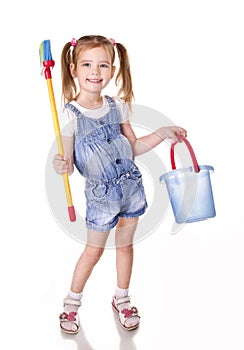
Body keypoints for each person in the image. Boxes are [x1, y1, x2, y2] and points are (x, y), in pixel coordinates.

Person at [53, 35, 187, 334]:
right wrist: (60, 165)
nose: (95, 71)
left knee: (125, 247)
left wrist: (162, 132)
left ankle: (121, 298)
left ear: (112, 70)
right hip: (101, 195)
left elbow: (134, 148)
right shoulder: (70, 115)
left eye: (103, 65)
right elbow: (67, 164)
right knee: (94, 251)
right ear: (74, 68)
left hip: (131, 188)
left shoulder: (118, 107)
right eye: (87, 64)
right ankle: (71, 304)